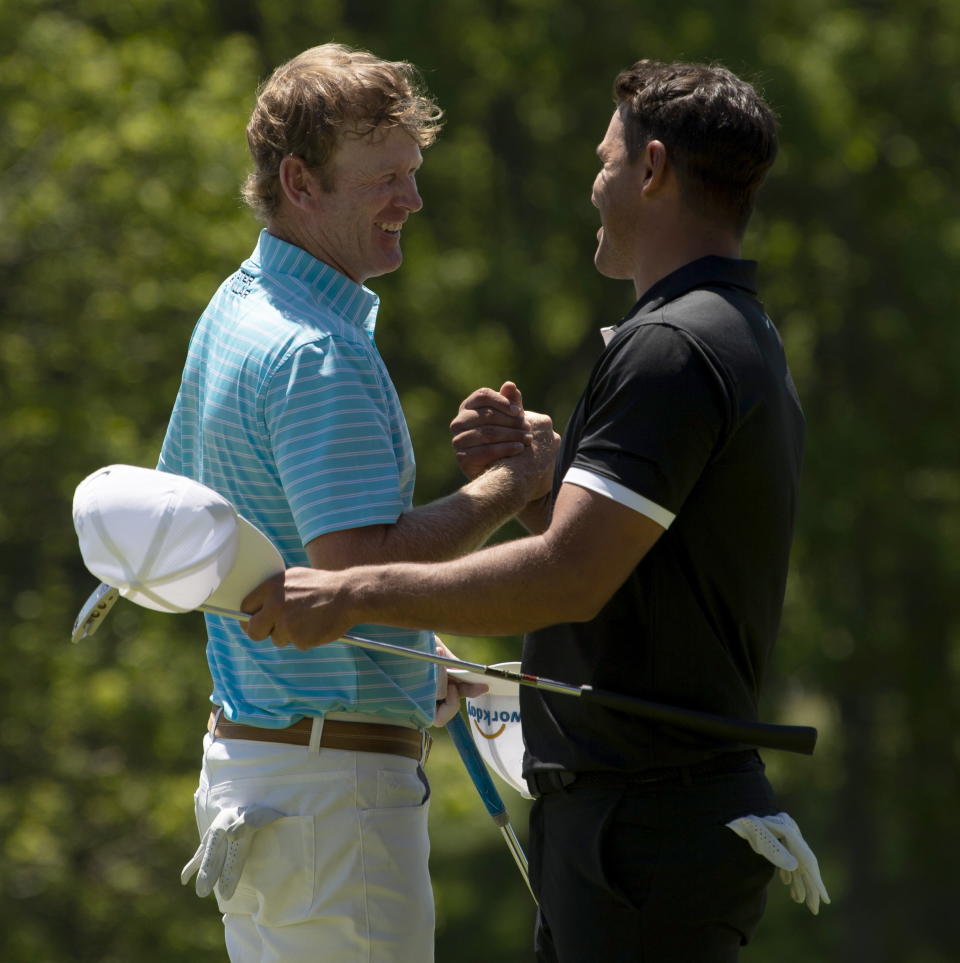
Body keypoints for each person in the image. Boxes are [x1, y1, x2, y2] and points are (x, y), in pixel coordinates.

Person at [242, 59, 825, 961]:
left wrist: (354, 591)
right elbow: (618, 564)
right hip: (643, 827)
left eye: (604, 161)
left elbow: (571, 577)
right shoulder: (722, 327)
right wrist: (540, 485)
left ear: (653, 169)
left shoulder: (672, 347)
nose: (593, 188)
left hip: (644, 829)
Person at [160, 44, 557, 963]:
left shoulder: (233, 306)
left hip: (258, 777)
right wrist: (513, 483)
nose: (411, 202)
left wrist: (414, 658)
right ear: (300, 181)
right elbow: (350, 574)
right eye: (385, 178)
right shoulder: (316, 351)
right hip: (333, 803)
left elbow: (208, 545)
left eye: (412, 175)